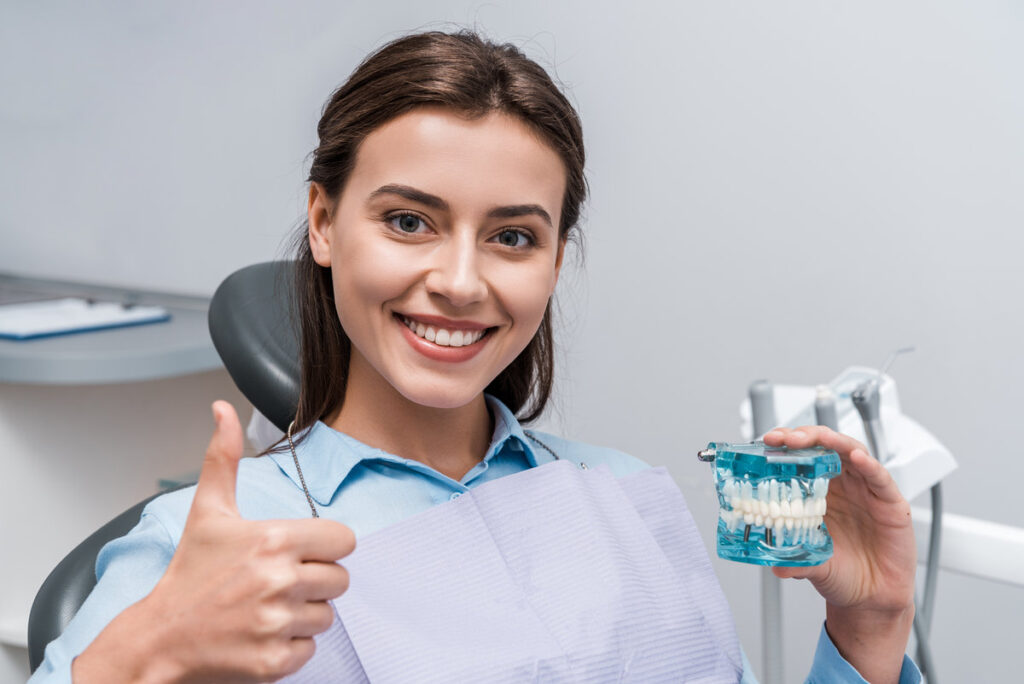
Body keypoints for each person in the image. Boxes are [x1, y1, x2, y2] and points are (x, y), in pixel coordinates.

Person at [31, 30, 919, 683]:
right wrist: (135, 657)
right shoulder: (208, 550)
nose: (460, 281)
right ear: (324, 222)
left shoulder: (626, 498)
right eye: (408, 220)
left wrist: (868, 631)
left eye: (511, 237)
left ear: (554, 262)